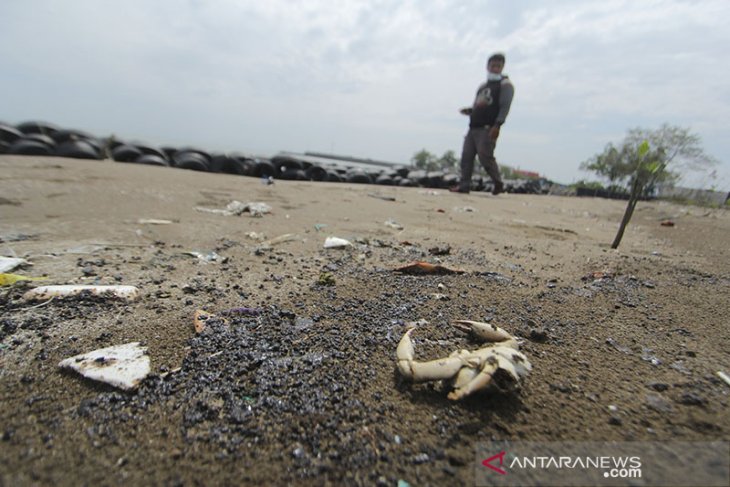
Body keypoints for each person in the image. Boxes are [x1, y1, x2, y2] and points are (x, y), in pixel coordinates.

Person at [451, 52, 514, 195]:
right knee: (466, 156)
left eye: (498, 66)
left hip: (488, 128)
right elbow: (479, 105)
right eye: (493, 65)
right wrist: (470, 111)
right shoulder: (483, 86)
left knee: (485, 157)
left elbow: (505, 107)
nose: (495, 68)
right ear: (488, 66)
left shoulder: (505, 85)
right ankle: (464, 185)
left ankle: (498, 183)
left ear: (502, 67)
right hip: (473, 127)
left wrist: (498, 125)